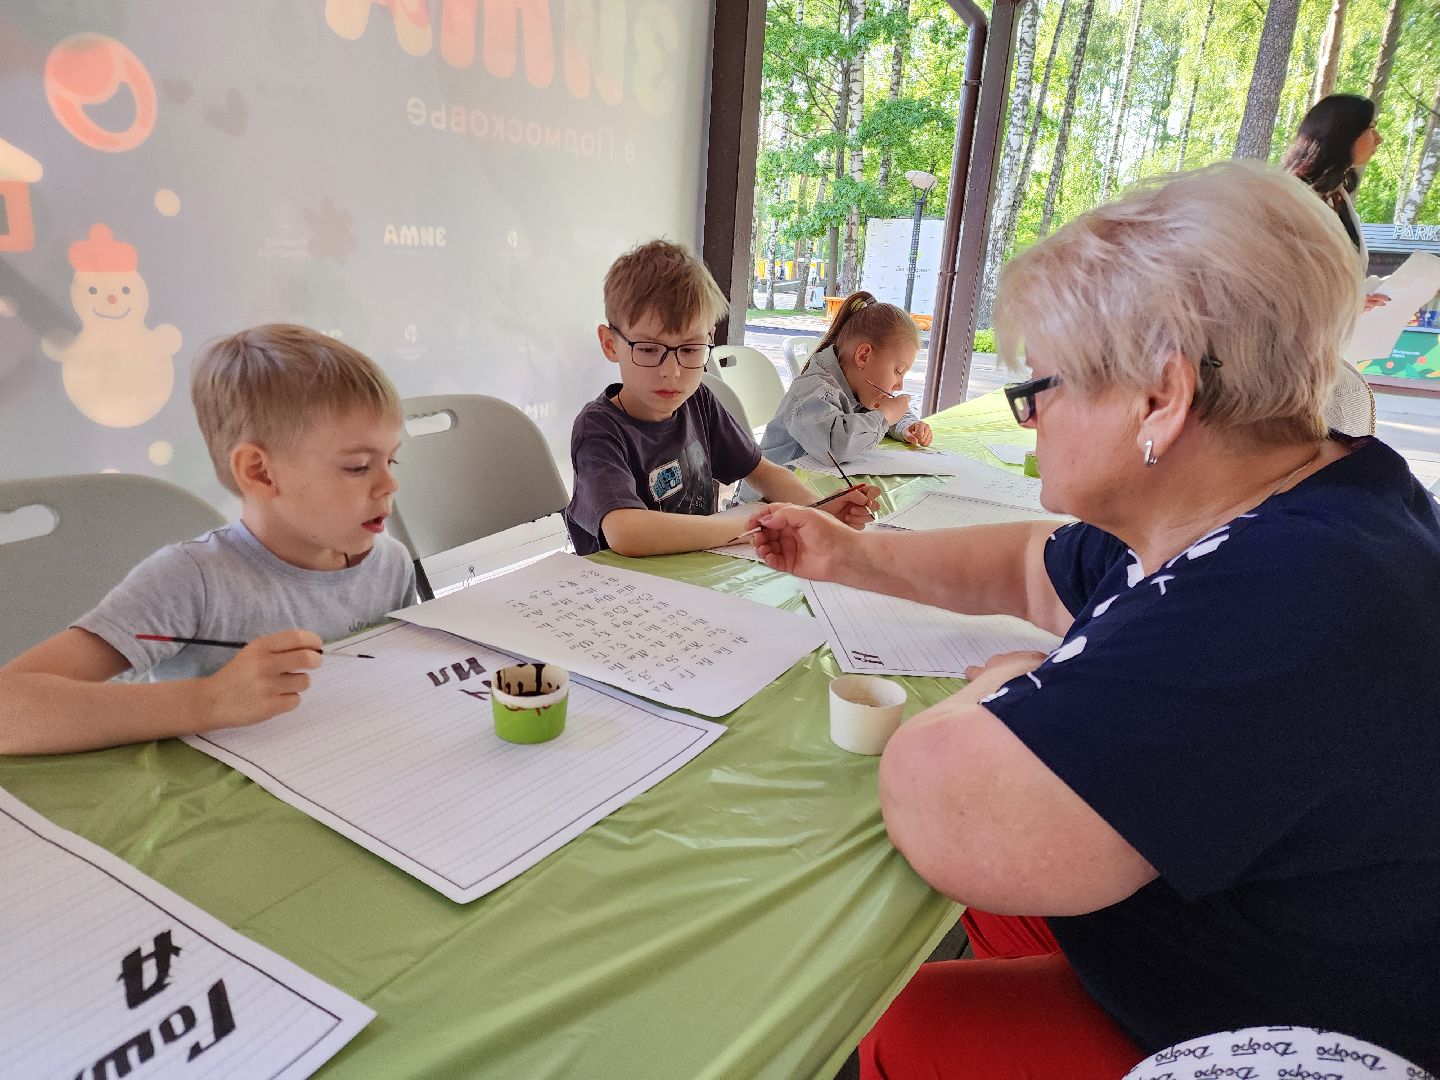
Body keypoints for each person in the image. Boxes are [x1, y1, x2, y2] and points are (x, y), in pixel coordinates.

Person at [747, 162, 1440, 1076]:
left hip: (1285, 1035)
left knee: (895, 1025)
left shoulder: (1291, 592)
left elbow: (940, 797)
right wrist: (853, 557)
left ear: (1163, 396)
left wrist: (1006, 689)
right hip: (1231, 919)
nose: (1030, 420)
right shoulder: (1277, 493)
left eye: (1043, 388)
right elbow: (1033, 566)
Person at [0, 324, 416, 755]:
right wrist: (212, 699)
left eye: (392, 458)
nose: (390, 484)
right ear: (260, 472)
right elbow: (7, 711)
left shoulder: (391, 563)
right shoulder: (191, 580)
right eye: (358, 467)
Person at [563, 239, 878, 557]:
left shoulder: (698, 400)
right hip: (621, 591)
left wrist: (819, 511)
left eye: (689, 349)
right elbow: (627, 533)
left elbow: (763, 471)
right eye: (648, 349)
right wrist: (749, 526)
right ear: (610, 344)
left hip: (694, 572)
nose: (671, 372)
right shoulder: (599, 428)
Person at [759, 290, 932, 467]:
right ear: (863, 356)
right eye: (898, 371)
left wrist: (906, 425)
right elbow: (835, 447)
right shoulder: (813, 391)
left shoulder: (858, 386)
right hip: (768, 494)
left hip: (810, 487)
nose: (899, 385)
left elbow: (879, 412)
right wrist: (885, 416)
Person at [1282, 93, 1390, 310]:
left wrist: (1396, 290)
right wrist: (1345, 306)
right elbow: (1283, 284)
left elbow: (1345, 279)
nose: (1379, 138)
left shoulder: (1337, 195)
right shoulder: (1289, 200)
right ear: (1344, 134)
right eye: (1371, 127)